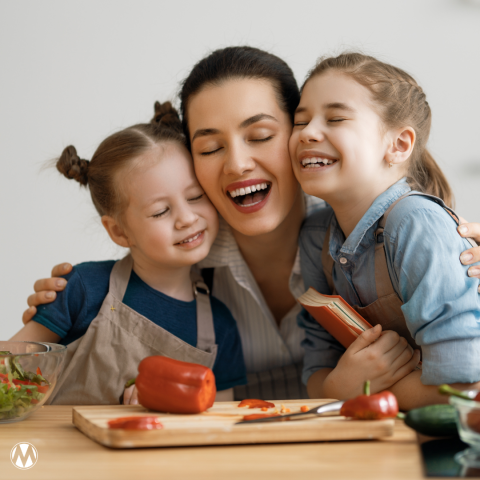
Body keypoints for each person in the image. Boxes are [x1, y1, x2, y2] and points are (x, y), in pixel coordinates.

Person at [21, 47, 480, 401]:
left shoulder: (382, 244)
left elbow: (459, 363)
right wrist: (67, 311)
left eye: (260, 136)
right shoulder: (173, 262)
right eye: (209, 148)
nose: (239, 163)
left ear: (302, 138)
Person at [10, 102, 247, 405]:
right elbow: (10, 367)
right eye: (161, 211)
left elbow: (220, 422)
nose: (187, 218)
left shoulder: (220, 325)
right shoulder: (84, 288)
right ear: (119, 232)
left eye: (196, 196)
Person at [290, 52, 480, 410]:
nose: (308, 133)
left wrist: (359, 391)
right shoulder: (315, 234)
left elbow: (462, 384)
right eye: (300, 122)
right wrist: (338, 387)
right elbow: (317, 369)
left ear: (398, 145)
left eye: (335, 118)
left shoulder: (415, 222)